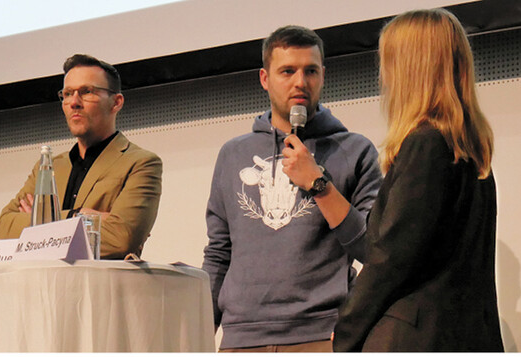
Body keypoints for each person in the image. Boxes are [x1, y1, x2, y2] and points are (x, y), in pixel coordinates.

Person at [201, 26, 383, 352]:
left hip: (321, 336)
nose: (300, 82)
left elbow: (373, 248)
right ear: (264, 78)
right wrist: (200, 328)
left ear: (323, 75)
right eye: (287, 71)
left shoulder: (355, 151)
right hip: (242, 338)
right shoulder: (233, 154)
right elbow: (219, 252)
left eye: (310, 71)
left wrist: (318, 183)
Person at [333, 9, 502, 352]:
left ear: (410, 68)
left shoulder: (426, 145)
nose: (384, 76)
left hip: (414, 340)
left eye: (388, 62)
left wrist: (347, 331)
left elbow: (389, 259)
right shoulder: (469, 153)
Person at [0, 54, 162, 259]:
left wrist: (39, 226)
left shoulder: (141, 163)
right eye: (67, 94)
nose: (74, 102)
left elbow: (121, 238)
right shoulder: (48, 167)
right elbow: (3, 227)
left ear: (116, 102)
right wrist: (79, 216)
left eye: (86, 92)